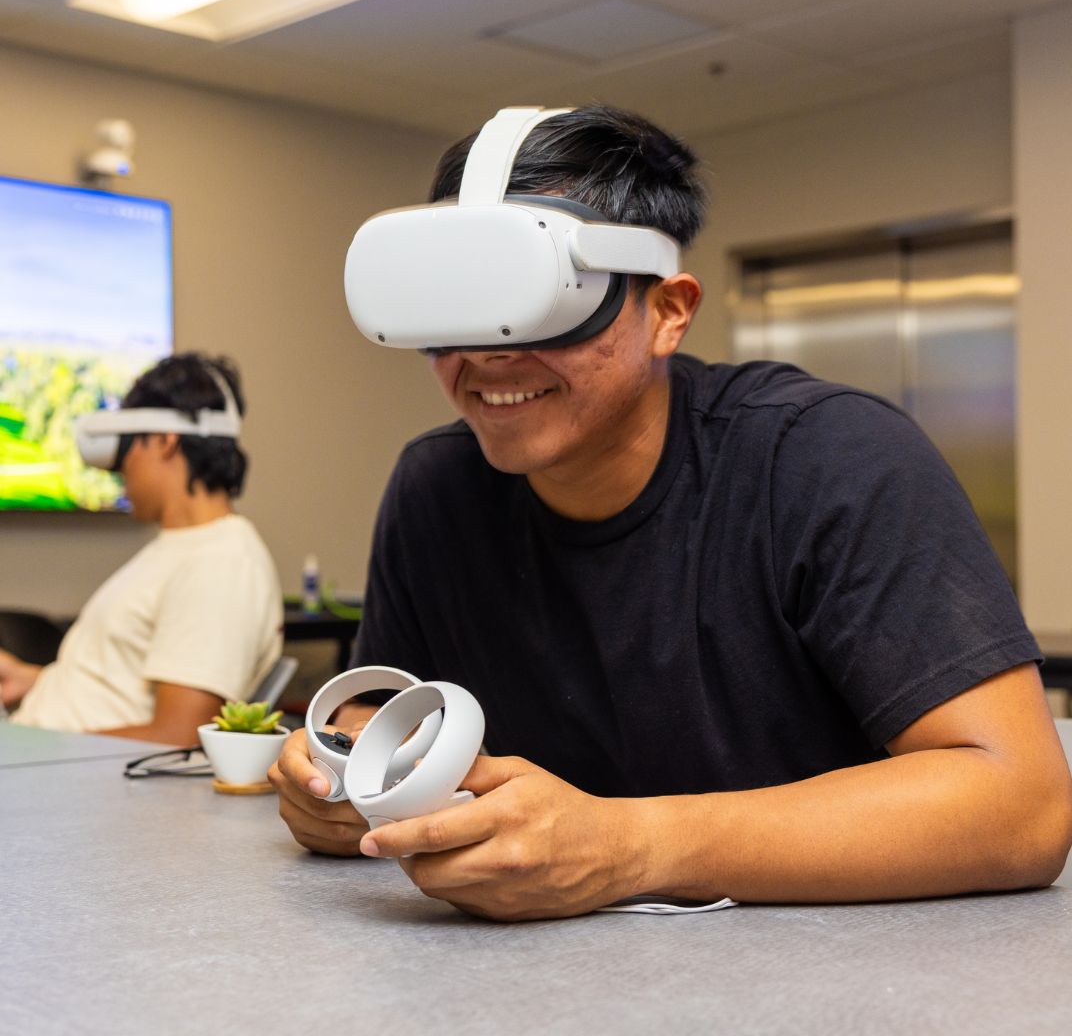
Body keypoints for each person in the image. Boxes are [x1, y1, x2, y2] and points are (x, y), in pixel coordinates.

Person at [270, 106, 1072, 920]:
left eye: (537, 302)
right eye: (458, 308)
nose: (489, 355)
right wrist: (342, 783)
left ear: (668, 312)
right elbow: (382, 718)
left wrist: (632, 847)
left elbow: (1021, 806)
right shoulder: (436, 487)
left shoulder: (826, 458)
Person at [0, 352, 282, 746]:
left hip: (58, 778)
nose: (120, 470)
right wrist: (32, 680)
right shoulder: (179, 549)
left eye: (127, 449)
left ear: (166, 441)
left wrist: (31, 747)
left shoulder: (222, 561)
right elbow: (116, 686)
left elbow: (178, 735)